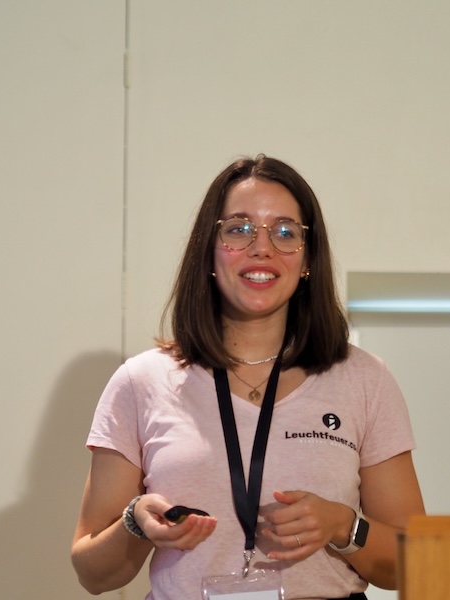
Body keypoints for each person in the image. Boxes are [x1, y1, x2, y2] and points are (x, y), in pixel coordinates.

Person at [71, 155, 425, 600]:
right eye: (238, 229)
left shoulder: (363, 379)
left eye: (285, 232)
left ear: (307, 259)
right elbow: (93, 573)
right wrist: (135, 520)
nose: (262, 248)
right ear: (210, 252)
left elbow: (417, 561)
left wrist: (342, 524)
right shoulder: (140, 382)